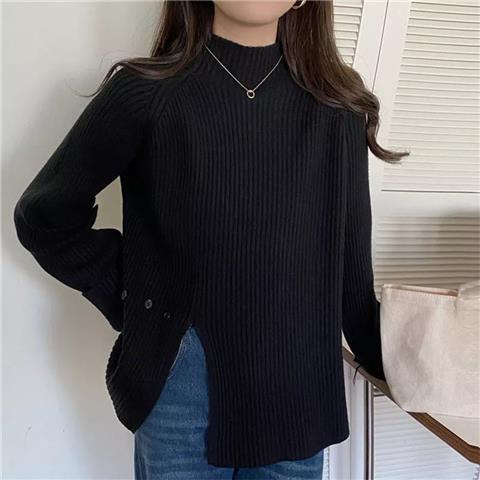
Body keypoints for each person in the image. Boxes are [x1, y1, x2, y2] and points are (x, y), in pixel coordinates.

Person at [13, 0, 407, 478]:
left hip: (299, 391)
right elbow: (45, 216)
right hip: (183, 384)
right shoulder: (144, 93)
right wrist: (139, 299)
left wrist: (416, 371)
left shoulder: (337, 107)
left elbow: (352, 279)